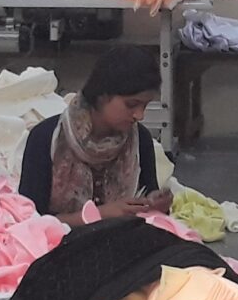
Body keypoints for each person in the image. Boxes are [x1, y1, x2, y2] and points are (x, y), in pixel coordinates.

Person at [19, 46, 173, 227]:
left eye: (144, 106)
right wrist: (99, 215)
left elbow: (147, 210)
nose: (140, 115)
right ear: (102, 96)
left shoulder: (140, 141)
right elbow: (30, 223)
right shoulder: (46, 139)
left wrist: (154, 204)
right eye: (132, 104)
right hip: (60, 247)